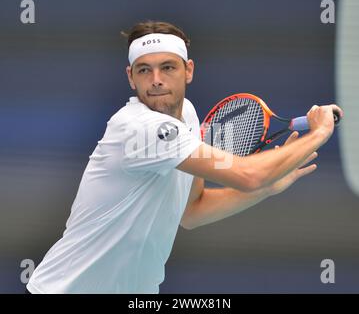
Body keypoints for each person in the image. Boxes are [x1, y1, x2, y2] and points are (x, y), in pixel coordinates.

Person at [26, 20, 343, 294]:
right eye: (144, 70)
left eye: (167, 67)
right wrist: (318, 134)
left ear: (188, 70)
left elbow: (192, 210)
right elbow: (249, 174)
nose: (156, 80)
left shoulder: (188, 117)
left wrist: (266, 189)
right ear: (130, 77)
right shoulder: (137, 128)